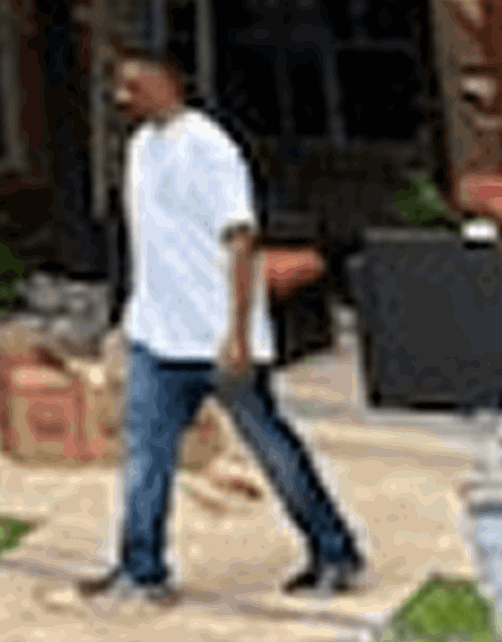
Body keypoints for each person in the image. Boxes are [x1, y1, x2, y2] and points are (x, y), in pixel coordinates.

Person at [85, 40, 364, 604]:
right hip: (157, 336)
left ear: (168, 80)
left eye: (133, 84)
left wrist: (237, 333)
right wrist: (132, 320)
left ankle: (334, 552)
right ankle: (141, 569)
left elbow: (240, 241)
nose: (122, 97)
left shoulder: (211, 149)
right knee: (145, 456)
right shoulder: (141, 147)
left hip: (215, 336)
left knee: (272, 447)